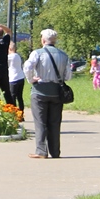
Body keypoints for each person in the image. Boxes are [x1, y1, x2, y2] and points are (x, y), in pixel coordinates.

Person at [25, 29, 73, 159]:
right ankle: (55, 151)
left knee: (40, 122)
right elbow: (68, 75)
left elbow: (28, 67)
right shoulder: (63, 55)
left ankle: (41, 151)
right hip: (57, 92)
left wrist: (31, 79)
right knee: (55, 122)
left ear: (43, 40)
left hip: (40, 90)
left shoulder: (37, 53)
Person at [8, 42, 25, 111]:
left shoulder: (10, 57)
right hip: (20, 77)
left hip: (13, 78)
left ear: (9, 48)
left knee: (12, 97)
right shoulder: (18, 56)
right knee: (19, 97)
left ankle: (15, 113)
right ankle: (21, 113)